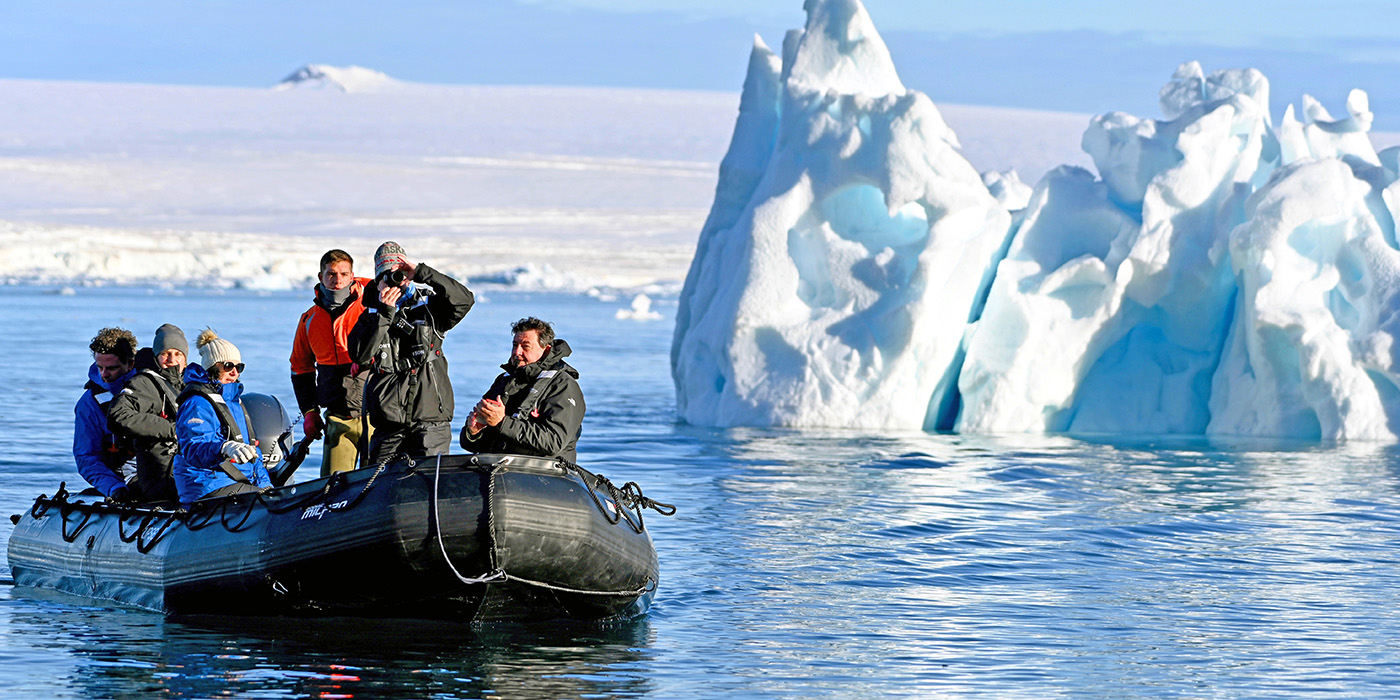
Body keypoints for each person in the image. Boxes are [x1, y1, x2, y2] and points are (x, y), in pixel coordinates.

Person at [348, 241, 474, 463]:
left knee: (429, 486)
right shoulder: (370, 315)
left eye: (400, 273)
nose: (395, 281)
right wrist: (384, 315)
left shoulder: (429, 307)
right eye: (387, 275)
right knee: (376, 486)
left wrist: (422, 272)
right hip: (388, 424)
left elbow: (464, 300)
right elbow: (360, 355)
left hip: (430, 422)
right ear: (377, 279)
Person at [291, 249, 373, 477]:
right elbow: (300, 368)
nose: (337, 280)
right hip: (338, 417)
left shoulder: (371, 308)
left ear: (352, 276)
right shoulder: (309, 320)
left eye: (343, 274)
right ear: (321, 277)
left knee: (377, 485)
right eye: (331, 274)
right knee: (332, 486)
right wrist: (309, 411)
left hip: (376, 417)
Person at [459, 317, 585, 463]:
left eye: (525, 346)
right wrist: (473, 433)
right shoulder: (504, 381)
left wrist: (502, 423)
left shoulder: (563, 385)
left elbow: (554, 441)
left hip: (545, 474)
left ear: (546, 349)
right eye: (515, 345)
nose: (517, 352)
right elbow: (474, 443)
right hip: (500, 471)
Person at [172, 329, 272, 505]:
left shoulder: (235, 403)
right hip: (207, 486)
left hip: (237, 483)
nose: (234, 372)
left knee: (276, 498)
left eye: (239, 367)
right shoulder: (197, 403)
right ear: (211, 366)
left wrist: (266, 486)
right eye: (228, 366)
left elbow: (253, 453)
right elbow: (192, 448)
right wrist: (224, 447)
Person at [106, 324, 188, 503]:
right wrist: (172, 430)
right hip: (162, 480)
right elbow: (118, 415)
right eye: (166, 353)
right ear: (157, 357)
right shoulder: (145, 383)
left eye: (178, 354)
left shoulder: (188, 386)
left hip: (187, 475)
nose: (172, 359)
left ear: (185, 359)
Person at [73, 327, 140, 501]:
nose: (104, 375)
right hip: (123, 481)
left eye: (112, 368)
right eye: (99, 367)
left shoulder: (153, 389)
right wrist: (114, 487)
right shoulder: (88, 404)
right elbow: (86, 456)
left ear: (130, 364)